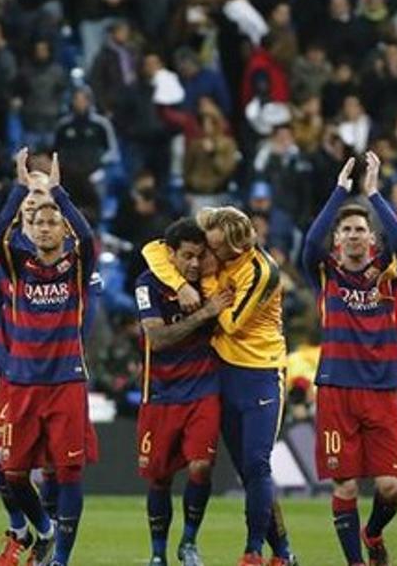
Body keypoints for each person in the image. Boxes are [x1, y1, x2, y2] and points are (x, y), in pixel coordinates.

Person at [141, 208, 297, 566]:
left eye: (212, 249)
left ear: (230, 248)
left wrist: (207, 285)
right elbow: (153, 249)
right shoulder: (213, 243)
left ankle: (254, 551)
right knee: (247, 470)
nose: (205, 256)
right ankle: (285, 554)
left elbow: (230, 323)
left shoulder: (261, 271)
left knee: (257, 465)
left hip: (260, 371)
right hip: (221, 373)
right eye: (204, 248)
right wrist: (181, 284)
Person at [301, 151, 397, 566]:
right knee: (344, 486)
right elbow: (310, 243)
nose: (351, 234)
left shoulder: (385, 272)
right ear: (337, 239)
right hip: (336, 389)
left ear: (370, 239)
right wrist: (339, 192)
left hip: (381, 388)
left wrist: (374, 193)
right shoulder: (326, 272)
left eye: (359, 229)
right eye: (344, 229)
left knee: (391, 489)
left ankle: (374, 533)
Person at [0, 150, 97, 566]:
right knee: (13, 473)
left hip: (66, 382)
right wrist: (20, 190)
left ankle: (61, 559)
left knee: (69, 473)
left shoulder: (77, 265)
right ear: (28, 228)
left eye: (53, 221)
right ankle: (46, 531)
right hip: (21, 382)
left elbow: (87, 237)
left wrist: (57, 194)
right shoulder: (18, 265)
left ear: (63, 227)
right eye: (39, 221)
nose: (46, 226)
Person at [134, 218, 231, 566]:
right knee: (159, 479)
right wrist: (206, 313)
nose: (193, 263)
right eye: (186, 256)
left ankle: (189, 543)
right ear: (170, 254)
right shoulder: (147, 284)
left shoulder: (208, 283)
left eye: (198, 255)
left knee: (201, 467)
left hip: (203, 389)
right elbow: (157, 340)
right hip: (160, 393)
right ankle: (157, 554)